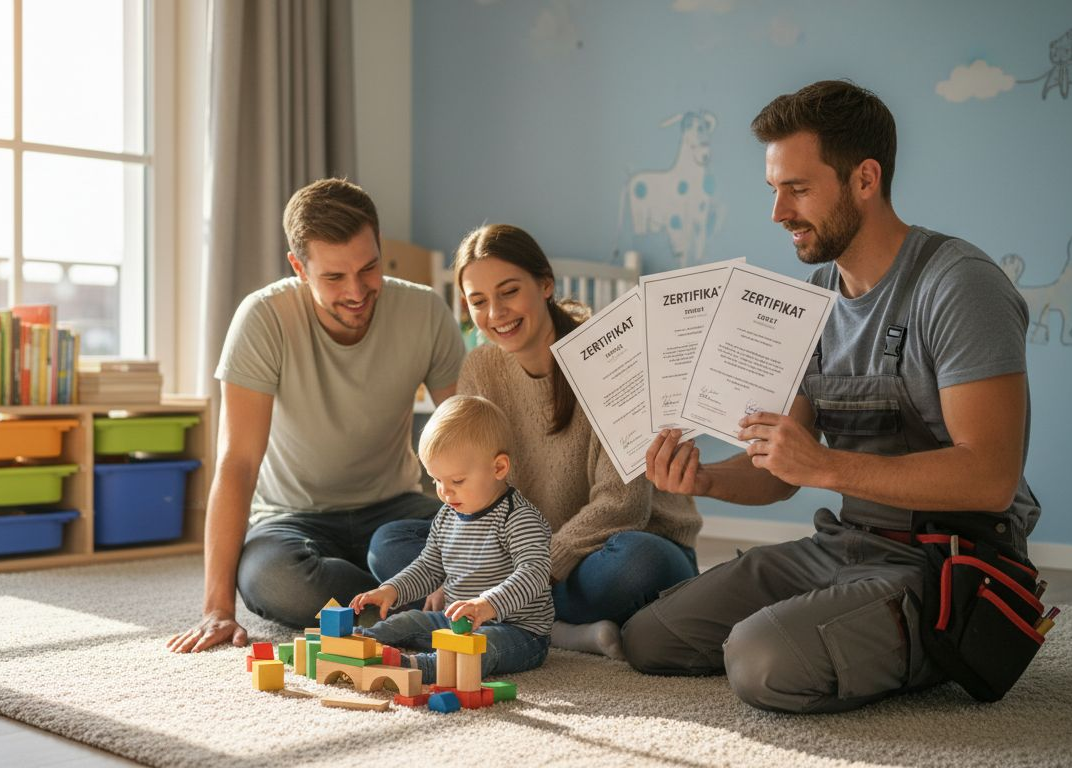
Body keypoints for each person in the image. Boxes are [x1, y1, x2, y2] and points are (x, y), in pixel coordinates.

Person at [622, 80, 1040, 713]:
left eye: (798, 189)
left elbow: (990, 478)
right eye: (774, 190)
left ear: (864, 179)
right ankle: (850, 629)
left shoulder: (959, 286)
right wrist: (701, 478)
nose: (778, 212)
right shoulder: (810, 303)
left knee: (758, 659)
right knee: (649, 638)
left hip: (948, 563)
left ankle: (929, 645)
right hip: (846, 544)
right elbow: (779, 475)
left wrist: (824, 465)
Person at [368, 224, 702, 661]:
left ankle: (515, 616)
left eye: (509, 292)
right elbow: (470, 489)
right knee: (390, 544)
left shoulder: (610, 359)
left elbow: (624, 506)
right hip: (518, 557)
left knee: (638, 564)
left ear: (545, 285)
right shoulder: (480, 369)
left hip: (618, 545)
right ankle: (552, 626)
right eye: (478, 301)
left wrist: (524, 572)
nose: (496, 313)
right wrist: (465, 565)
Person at [167, 178, 466, 652]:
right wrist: (218, 610)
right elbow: (238, 464)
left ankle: (409, 604)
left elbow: (467, 437)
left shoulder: (425, 312)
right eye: (334, 277)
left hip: (395, 508)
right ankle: (424, 609)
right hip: (290, 518)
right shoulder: (263, 318)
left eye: (369, 268)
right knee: (275, 580)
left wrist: (468, 552)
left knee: (442, 550)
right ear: (298, 268)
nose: (357, 291)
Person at [350, 394, 553, 683]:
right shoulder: (446, 515)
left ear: (498, 468)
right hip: (456, 622)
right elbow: (428, 567)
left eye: (457, 481)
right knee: (407, 621)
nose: (445, 492)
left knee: (481, 648)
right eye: (436, 480)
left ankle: (428, 666)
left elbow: (534, 574)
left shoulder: (517, 517)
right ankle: (362, 641)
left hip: (518, 630)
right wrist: (391, 590)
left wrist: (487, 605)